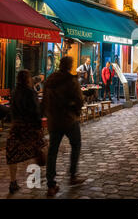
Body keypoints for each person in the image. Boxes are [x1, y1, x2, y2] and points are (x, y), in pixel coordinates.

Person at [43, 56, 86, 197]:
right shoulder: (71, 80)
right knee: (76, 144)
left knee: (52, 151)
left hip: (54, 120)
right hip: (68, 120)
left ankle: (51, 183)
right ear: (69, 66)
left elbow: (44, 101)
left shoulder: (50, 80)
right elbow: (79, 100)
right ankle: (72, 175)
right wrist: (75, 109)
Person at [6, 70, 46, 194]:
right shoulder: (30, 92)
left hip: (16, 127)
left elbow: (12, 110)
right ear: (28, 79)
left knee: (12, 154)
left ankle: (13, 182)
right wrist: (38, 125)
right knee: (35, 152)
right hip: (29, 127)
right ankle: (35, 179)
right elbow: (35, 110)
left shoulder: (15, 92)